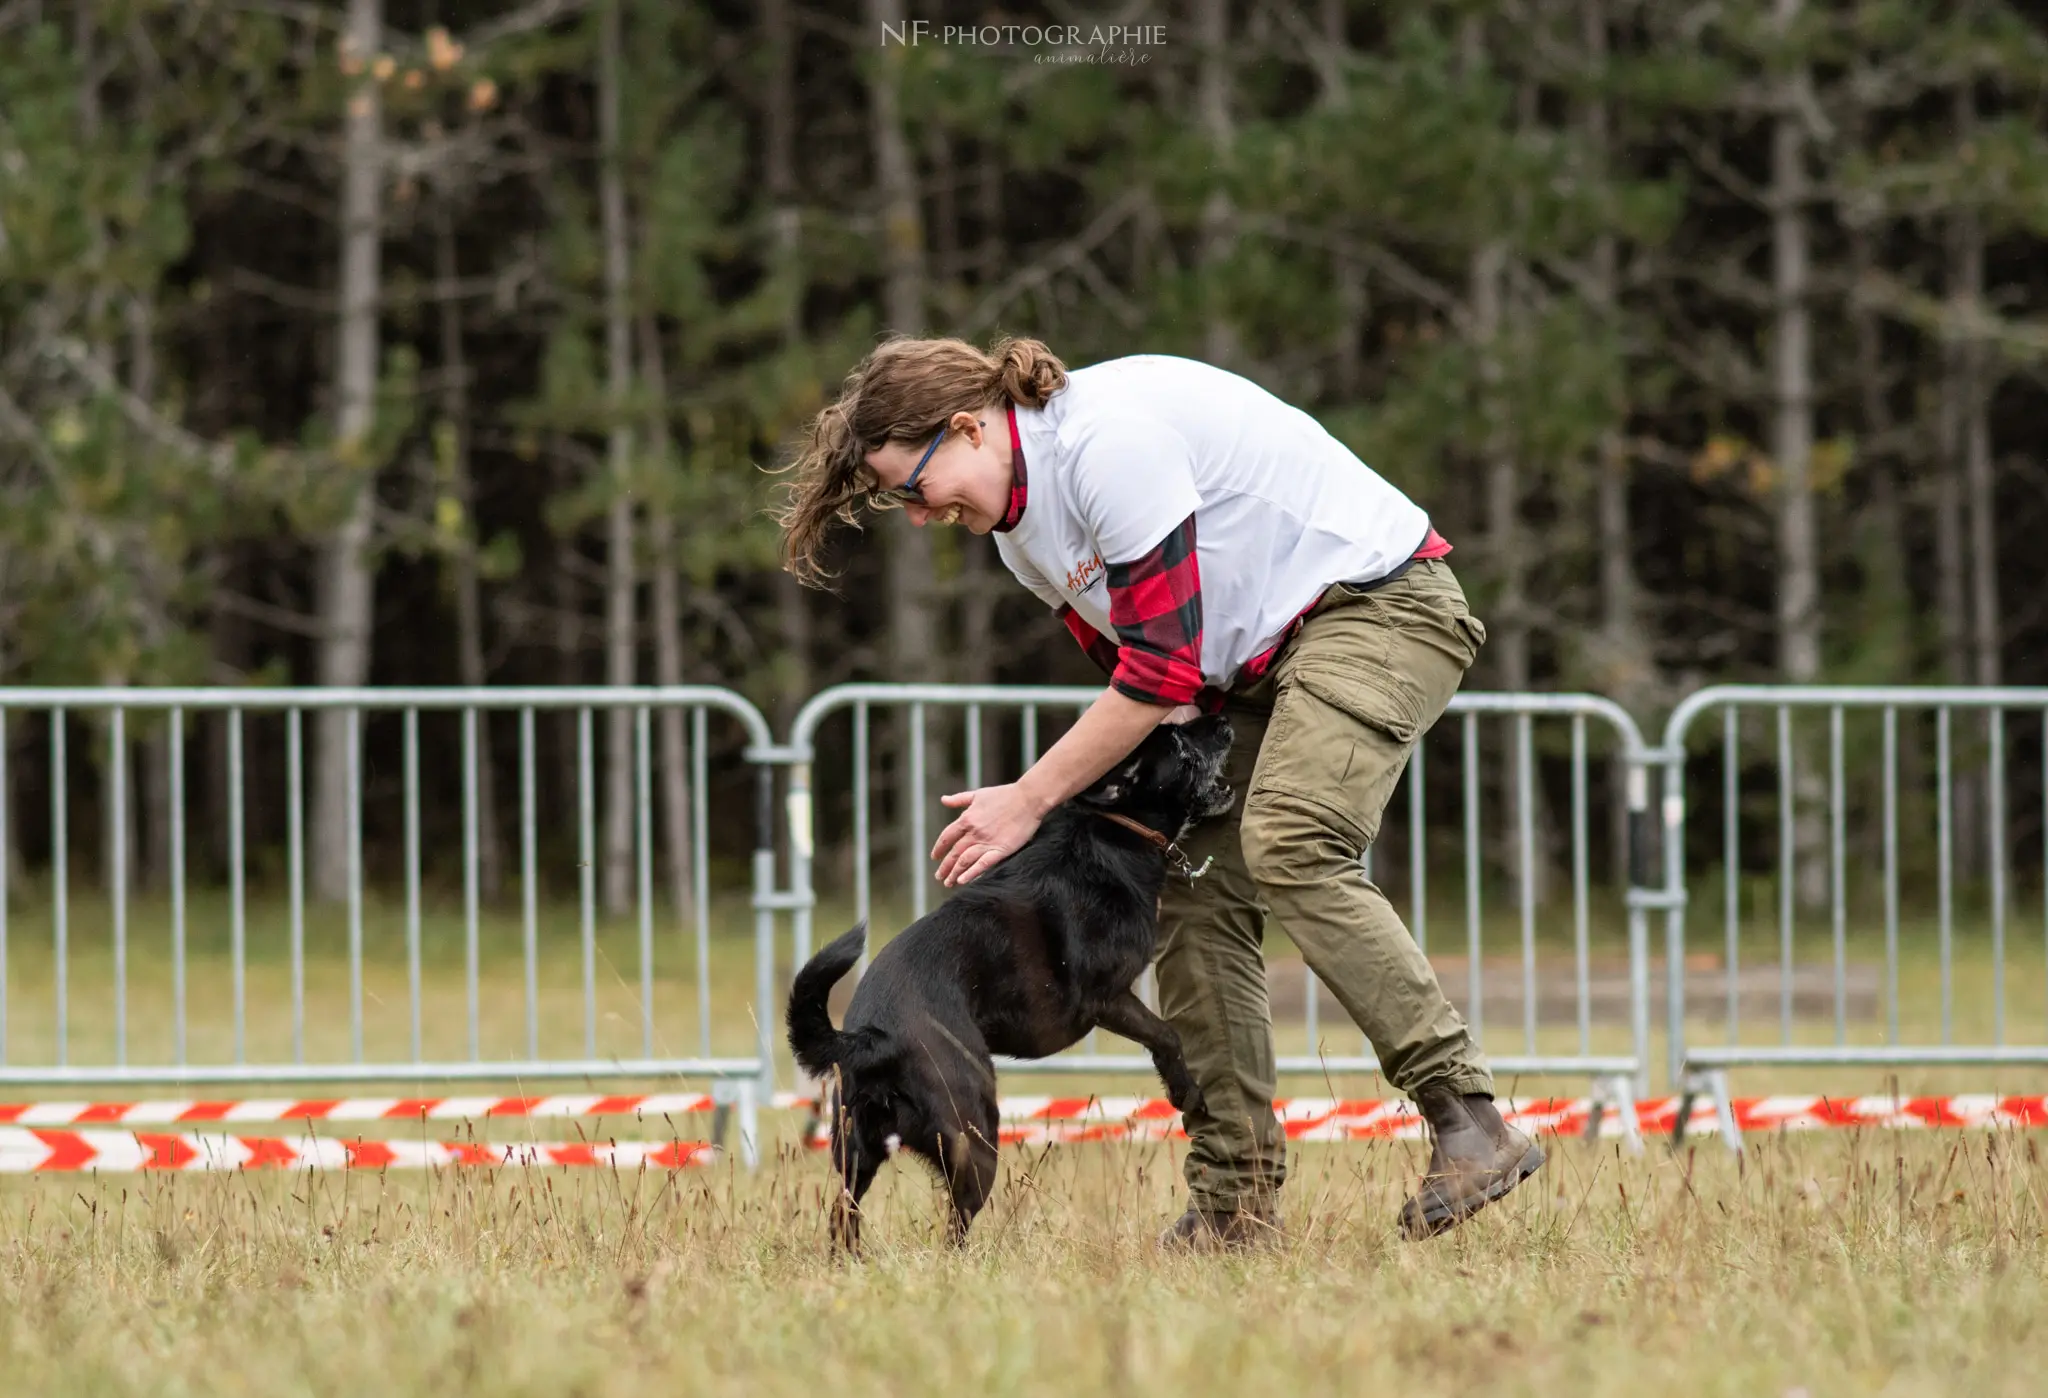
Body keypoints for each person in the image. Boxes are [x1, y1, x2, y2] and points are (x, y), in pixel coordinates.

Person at [773, 335, 1544, 1246]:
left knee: (1292, 843)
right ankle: (1236, 1204)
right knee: (1191, 891)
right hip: (1253, 671)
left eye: (910, 488)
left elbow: (1160, 674)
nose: (914, 514)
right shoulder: (1023, 541)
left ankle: (1469, 1120)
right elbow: (1158, 697)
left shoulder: (1106, 446)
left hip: (1378, 606)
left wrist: (1028, 800)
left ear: (968, 428)